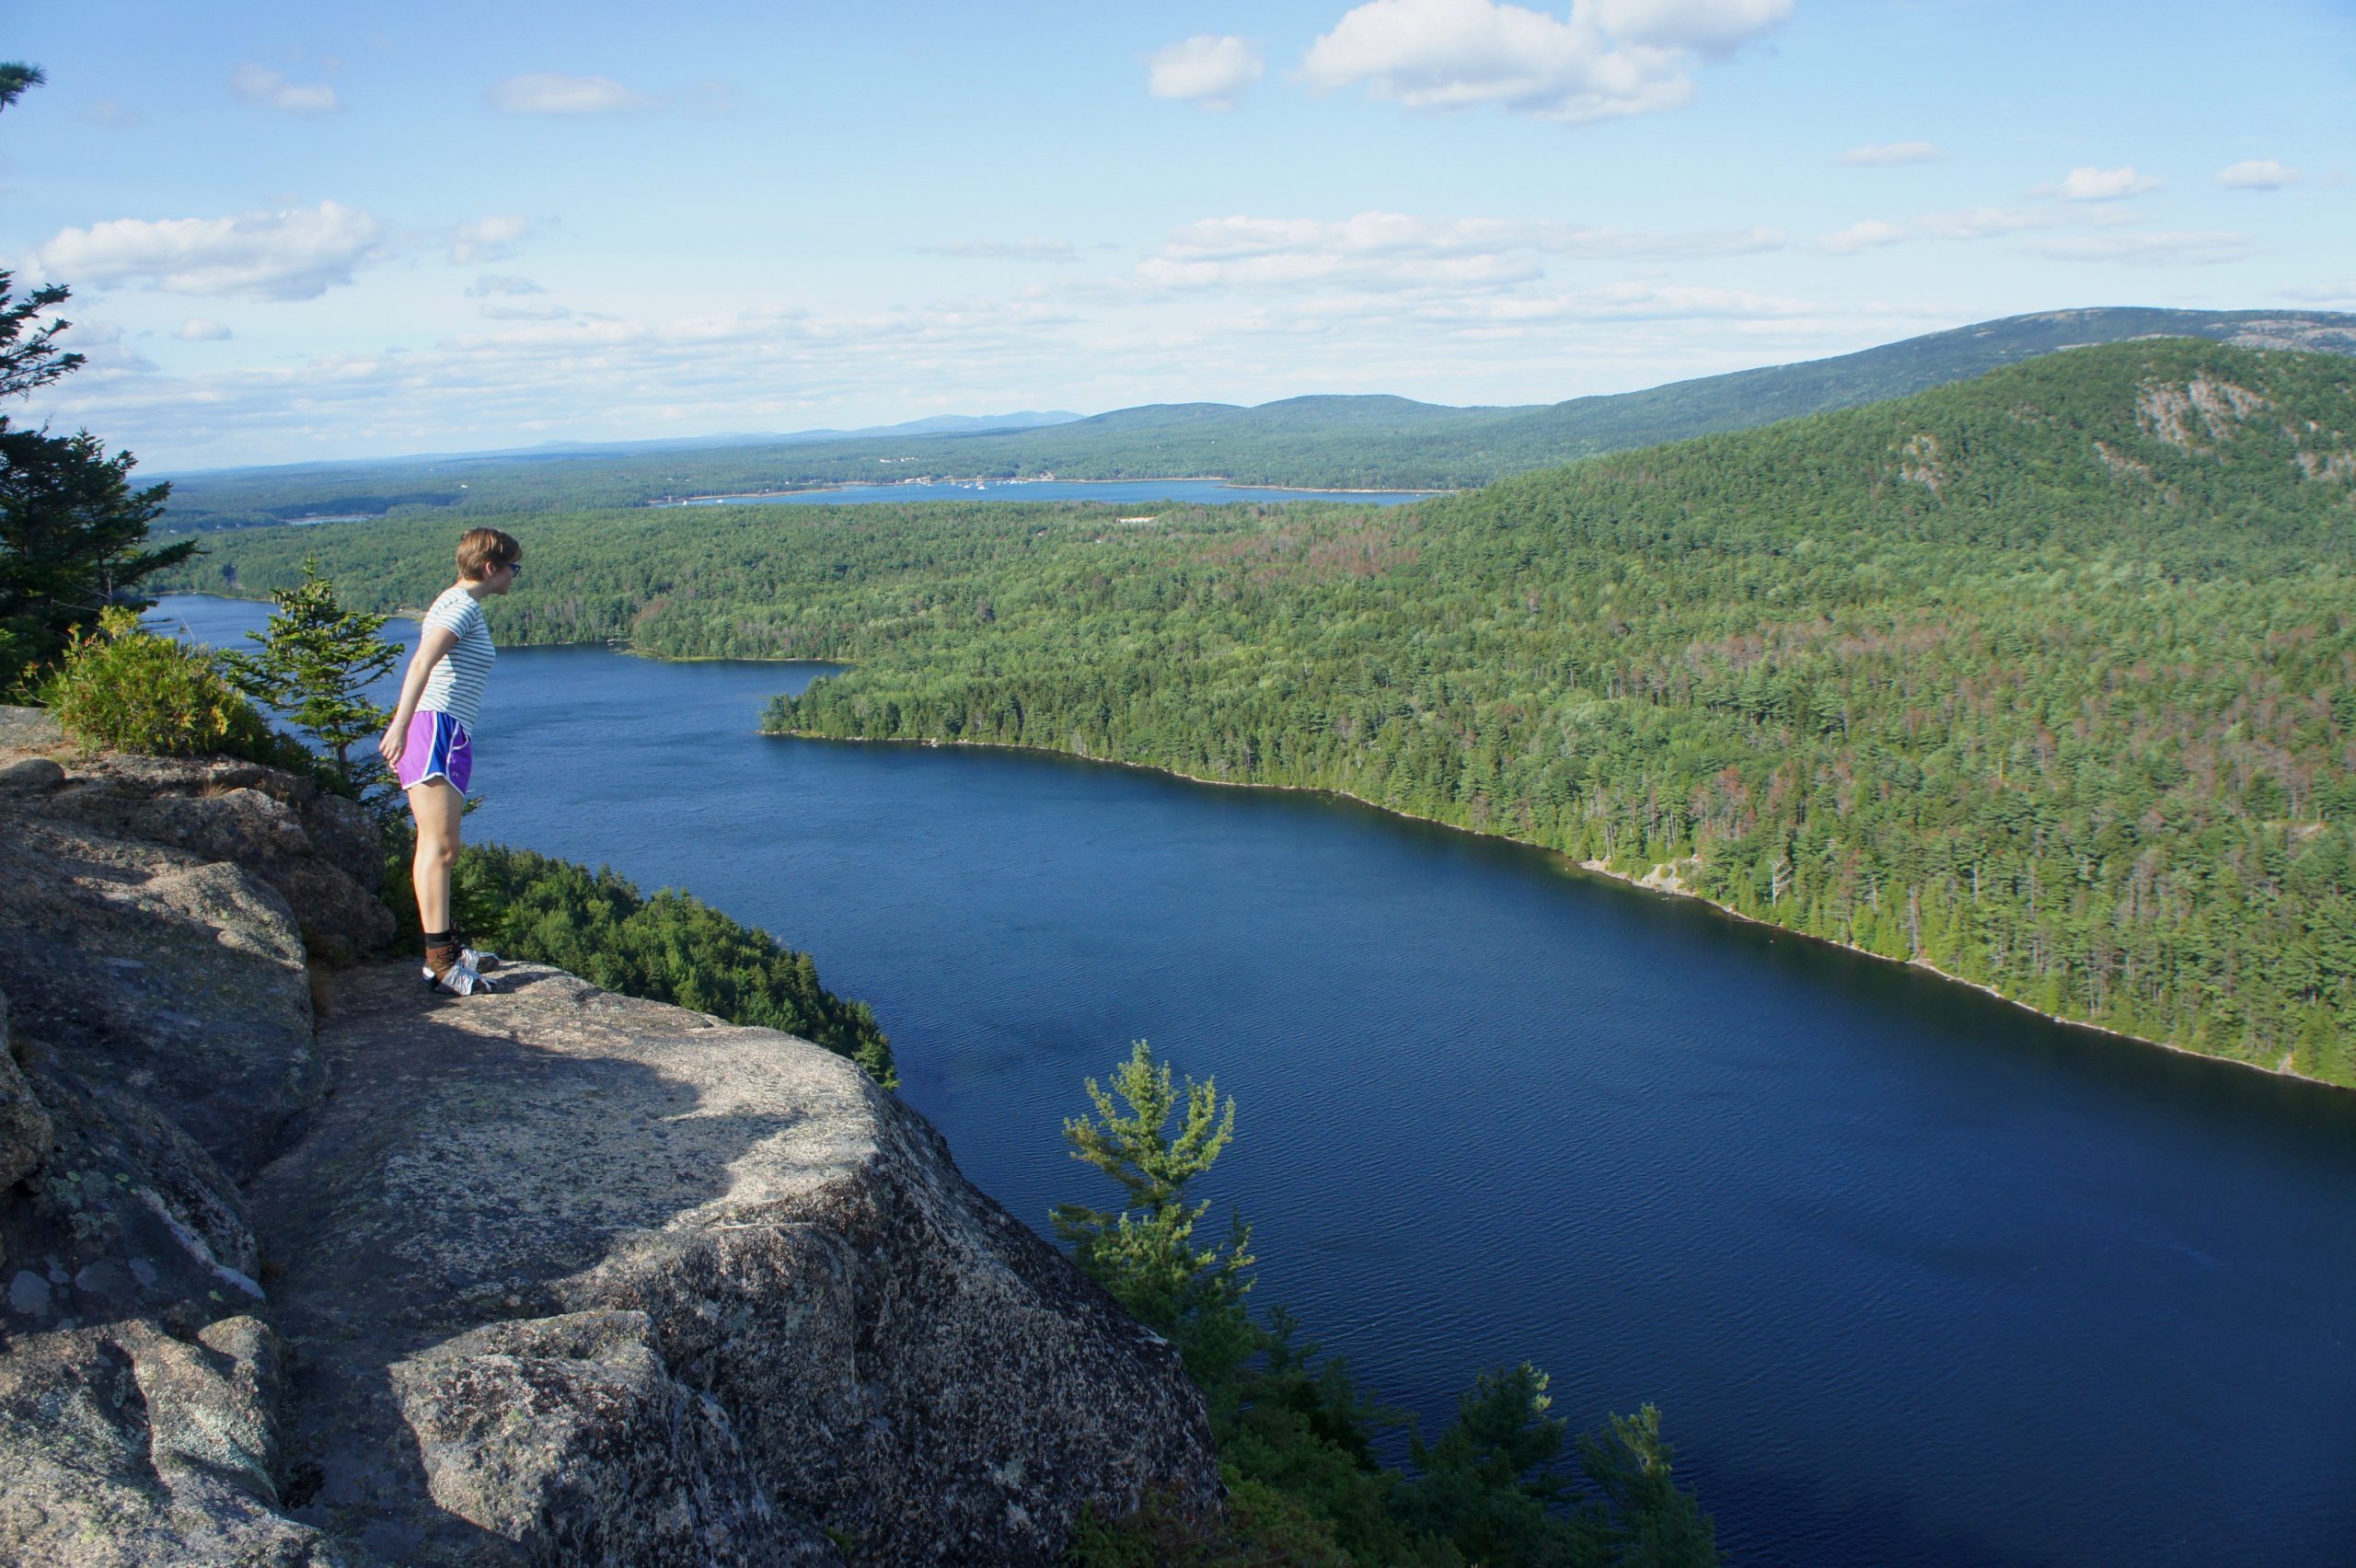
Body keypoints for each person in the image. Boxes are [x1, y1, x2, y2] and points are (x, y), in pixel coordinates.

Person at [378, 526, 523, 995]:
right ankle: (440, 962)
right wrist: (400, 725)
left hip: (442, 730)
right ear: (490, 568)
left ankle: (446, 948)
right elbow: (422, 662)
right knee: (440, 849)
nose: (514, 577)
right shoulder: (461, 607)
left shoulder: (453, 599)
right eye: (512, 568)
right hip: (436, 730)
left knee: (438, 846)